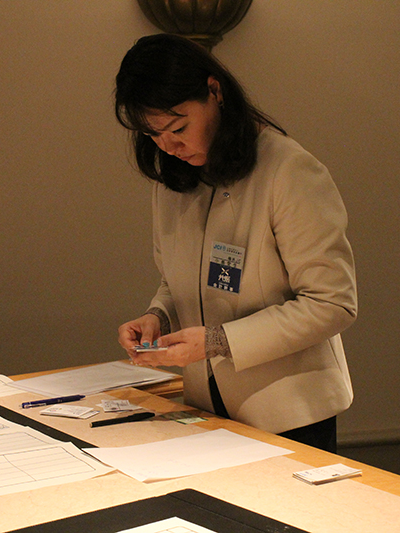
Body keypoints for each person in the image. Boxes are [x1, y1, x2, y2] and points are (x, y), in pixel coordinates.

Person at [114, 33, 357, 453]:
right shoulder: (174, 180)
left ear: (215, 92)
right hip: (207, 409)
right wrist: (158, 318)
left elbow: (333, 303)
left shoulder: (288, 170)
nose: (169, 147)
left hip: (290, 414)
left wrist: (217, 341)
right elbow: (178, 280)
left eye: (179, 128)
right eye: (153, 135)